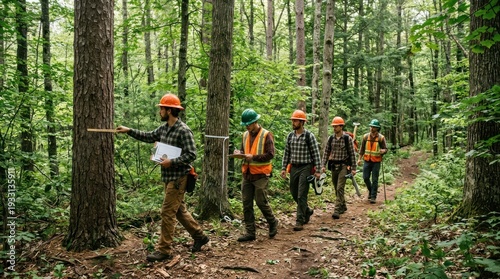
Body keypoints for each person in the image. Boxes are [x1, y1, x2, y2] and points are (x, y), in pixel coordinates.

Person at [116, 93, 209, 262]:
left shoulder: (184, 131)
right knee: (179, 211)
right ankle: (200, 236)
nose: (160, 111)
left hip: (179, 178)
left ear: (169, 110)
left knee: (167, 212)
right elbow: (148, 136)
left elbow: (192, 154)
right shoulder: (164, 128)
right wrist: (129, 131)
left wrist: (171, 162)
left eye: (162, 108)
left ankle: (164, 250)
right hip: (168, 178)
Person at [234, 109, 278, 242]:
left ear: (255, 122)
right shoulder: (245, 135)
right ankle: (250, 232)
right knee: (246, 204)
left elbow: (270, 154)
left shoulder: (266, 135)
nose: (247, 126)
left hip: (261, 174)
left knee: (260, 201)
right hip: (247, 174)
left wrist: (253, 157)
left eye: (249, 124)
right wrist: (239, 153)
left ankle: (272, 222)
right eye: (245, 124)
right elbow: (244, 150)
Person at [280, 110, 322, 231]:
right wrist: (284, 168)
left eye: (295, 120)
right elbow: (286, 153)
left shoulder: (309, 136)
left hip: (306, 167)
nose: (293, 122)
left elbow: (316, 154)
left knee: (301, 194)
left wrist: (318, 170)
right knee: (293, 191)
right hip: (294, 167)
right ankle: (307, 210)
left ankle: (299, 220)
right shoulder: (290, 136)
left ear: (302, 122)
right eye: (292, 120)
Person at [321, 117, 357, 219]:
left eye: (336, 126)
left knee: (340, 187)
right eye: (333, 126)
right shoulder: (331, 139)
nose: (334, 128)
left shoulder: (347, 139)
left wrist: (353, 168)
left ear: (341, 126)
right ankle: (343, 205)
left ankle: (336, 209)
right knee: (336, 187)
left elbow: (352, 154)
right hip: (333, 166)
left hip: (344, 166)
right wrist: (323, 165)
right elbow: (326, 153)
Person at [357, 119, 388, 204]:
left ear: (377, 128)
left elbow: (386, 149)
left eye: (374, 127)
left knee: (375, 179)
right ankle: (371, 190)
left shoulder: (381, 138)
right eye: (371, 126)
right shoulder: (365, 137)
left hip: (376, 161)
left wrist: (383, 151)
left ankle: (373, 196)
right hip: (367, 160)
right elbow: (362, 149)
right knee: (365, 177)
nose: (372, 128)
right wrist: (359, 159)